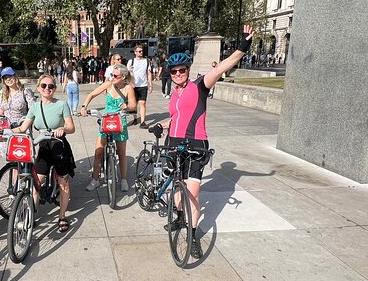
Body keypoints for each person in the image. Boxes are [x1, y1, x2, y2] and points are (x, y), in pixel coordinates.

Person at [159, 25, 255, 260]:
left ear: (188, 70)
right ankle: (179, 218)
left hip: (196, 145)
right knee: (177, 188)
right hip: (174, 142)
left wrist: (244, 45)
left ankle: (192, 236)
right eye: (174, 72)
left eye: (182, 70)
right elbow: (176, 117)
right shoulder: (175, 94)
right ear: (170, 74)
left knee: (193, 193)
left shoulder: (199, 85)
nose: (178, 74)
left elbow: (224, 65)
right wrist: (163, 125)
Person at [12, 75, 76, 232]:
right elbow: (23, 127)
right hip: (43, 145)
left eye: (51, 86)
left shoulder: (61, 104)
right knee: (36, 183)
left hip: (58, 144)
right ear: (39, 88)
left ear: (54, 88)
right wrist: (6, 131)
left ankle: (62, 216)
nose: (47, 88)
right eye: (44, 85)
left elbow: (71, 127)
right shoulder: (34, 107)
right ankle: (32, 214)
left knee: (63, 183)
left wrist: (63, 129)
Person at [81, 64, 136, 193]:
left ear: (123, 77)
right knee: (98, 153)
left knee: (121, 154)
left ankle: (123, 179)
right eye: (112, 75)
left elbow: (133, 105)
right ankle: (95, 179)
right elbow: (92, 94)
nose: (112, 77)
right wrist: (84, 107)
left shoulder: (128, 88)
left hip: (120, 121)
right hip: (106, 120)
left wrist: (126, 107)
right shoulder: (109, 84)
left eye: (115, 76)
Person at [0, 67, 35, 157]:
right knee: (11, 159)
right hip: (7, 130)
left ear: (15, 77)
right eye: (5, 78)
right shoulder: (3, 93)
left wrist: (27, 124)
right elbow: (1, 110)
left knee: (22, 158)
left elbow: (33, 110)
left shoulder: (25, 92)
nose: (8, 79)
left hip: (21, 129)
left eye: (10, 76)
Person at [126, 44, 153, 128]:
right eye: (139, 51)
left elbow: (149, 73)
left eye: (142, 51)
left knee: (143, 103)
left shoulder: (146, 61)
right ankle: (135, 118)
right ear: (135, 52)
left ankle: (142, 122)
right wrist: (130, 82)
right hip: (133, 85)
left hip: (143, 85)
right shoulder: (131, 61)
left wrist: (150, 85)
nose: (141, 52)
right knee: (134, 104)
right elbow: (127, 74)